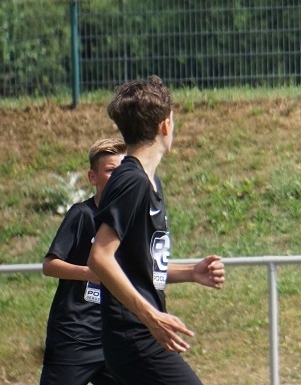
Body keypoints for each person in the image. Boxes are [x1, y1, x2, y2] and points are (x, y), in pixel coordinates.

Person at [88, 76, 226, 385]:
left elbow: (136, 265)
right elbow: (100, 258)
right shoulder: (132, 180)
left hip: (139, 335)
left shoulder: (149, 181)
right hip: (134, 336)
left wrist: (192, 272)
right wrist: (150, 315)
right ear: (165, 125)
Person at [40, 138, 125, 385]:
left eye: (123, 171)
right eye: (110, 170)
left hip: (112, 338)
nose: (118, 177)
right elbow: (49, 265)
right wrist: (89, 273)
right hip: (74, 336)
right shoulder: (81, 214)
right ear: (93, 177)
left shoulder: (128, 219)